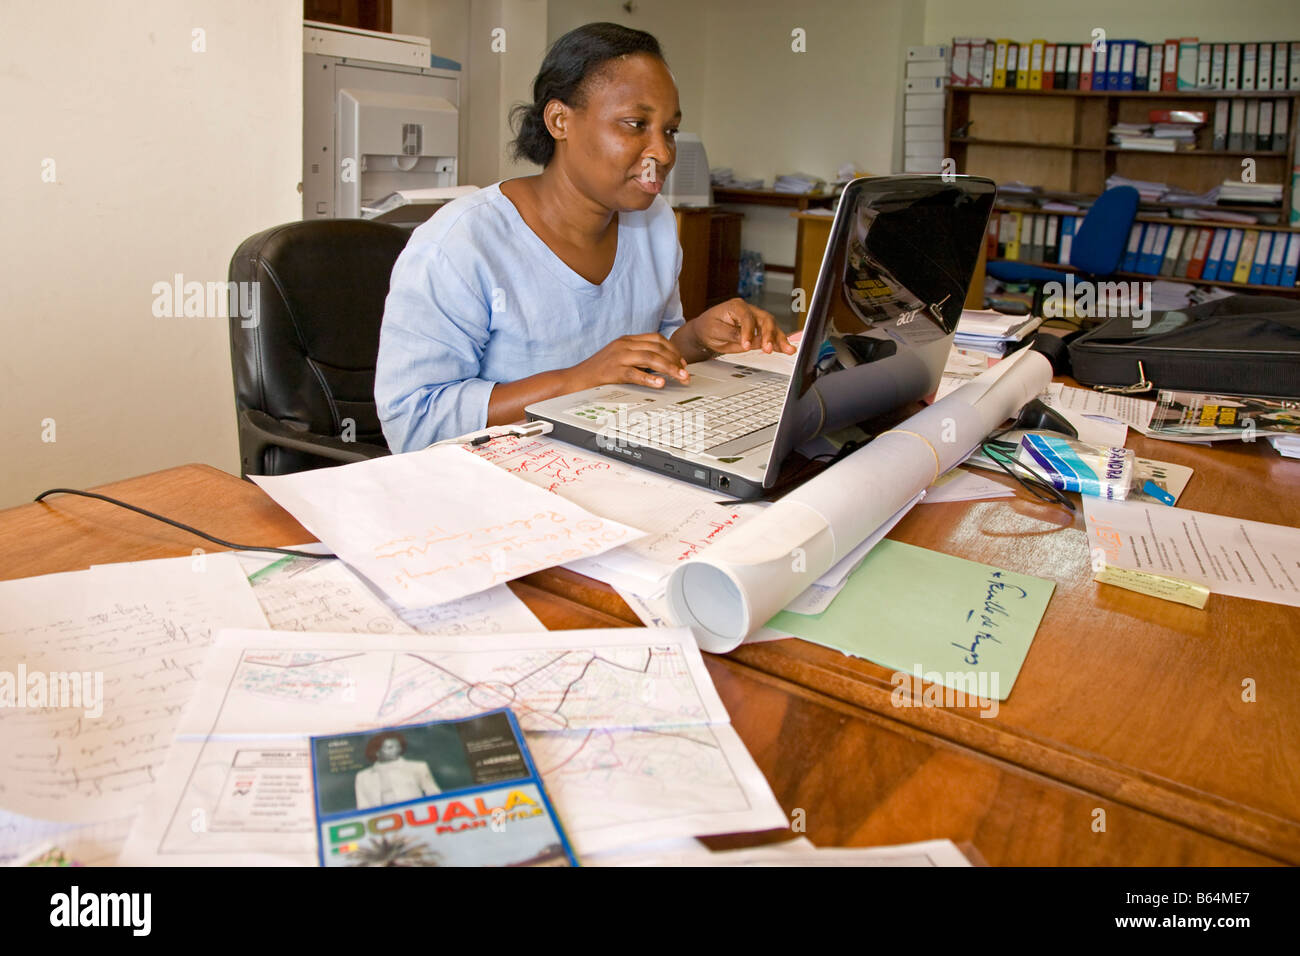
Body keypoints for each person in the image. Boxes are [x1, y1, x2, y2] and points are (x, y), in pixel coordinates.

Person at [375, 21, 795, 452]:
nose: (664, 153)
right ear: (560, 120)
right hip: (499, 483)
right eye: (636, 124)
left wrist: (696, 339)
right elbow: (413, 419)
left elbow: (651, 355)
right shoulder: (460, 244)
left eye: (669, 130)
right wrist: (578, 379)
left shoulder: (655, 224)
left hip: (615, 458)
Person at [354, 732, 440, 810]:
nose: (396, 750)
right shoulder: (362, 776)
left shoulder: (418, 767)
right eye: (389, 747)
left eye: (398, 746)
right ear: (377, 751)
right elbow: (362, 805)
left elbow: (434, 795)